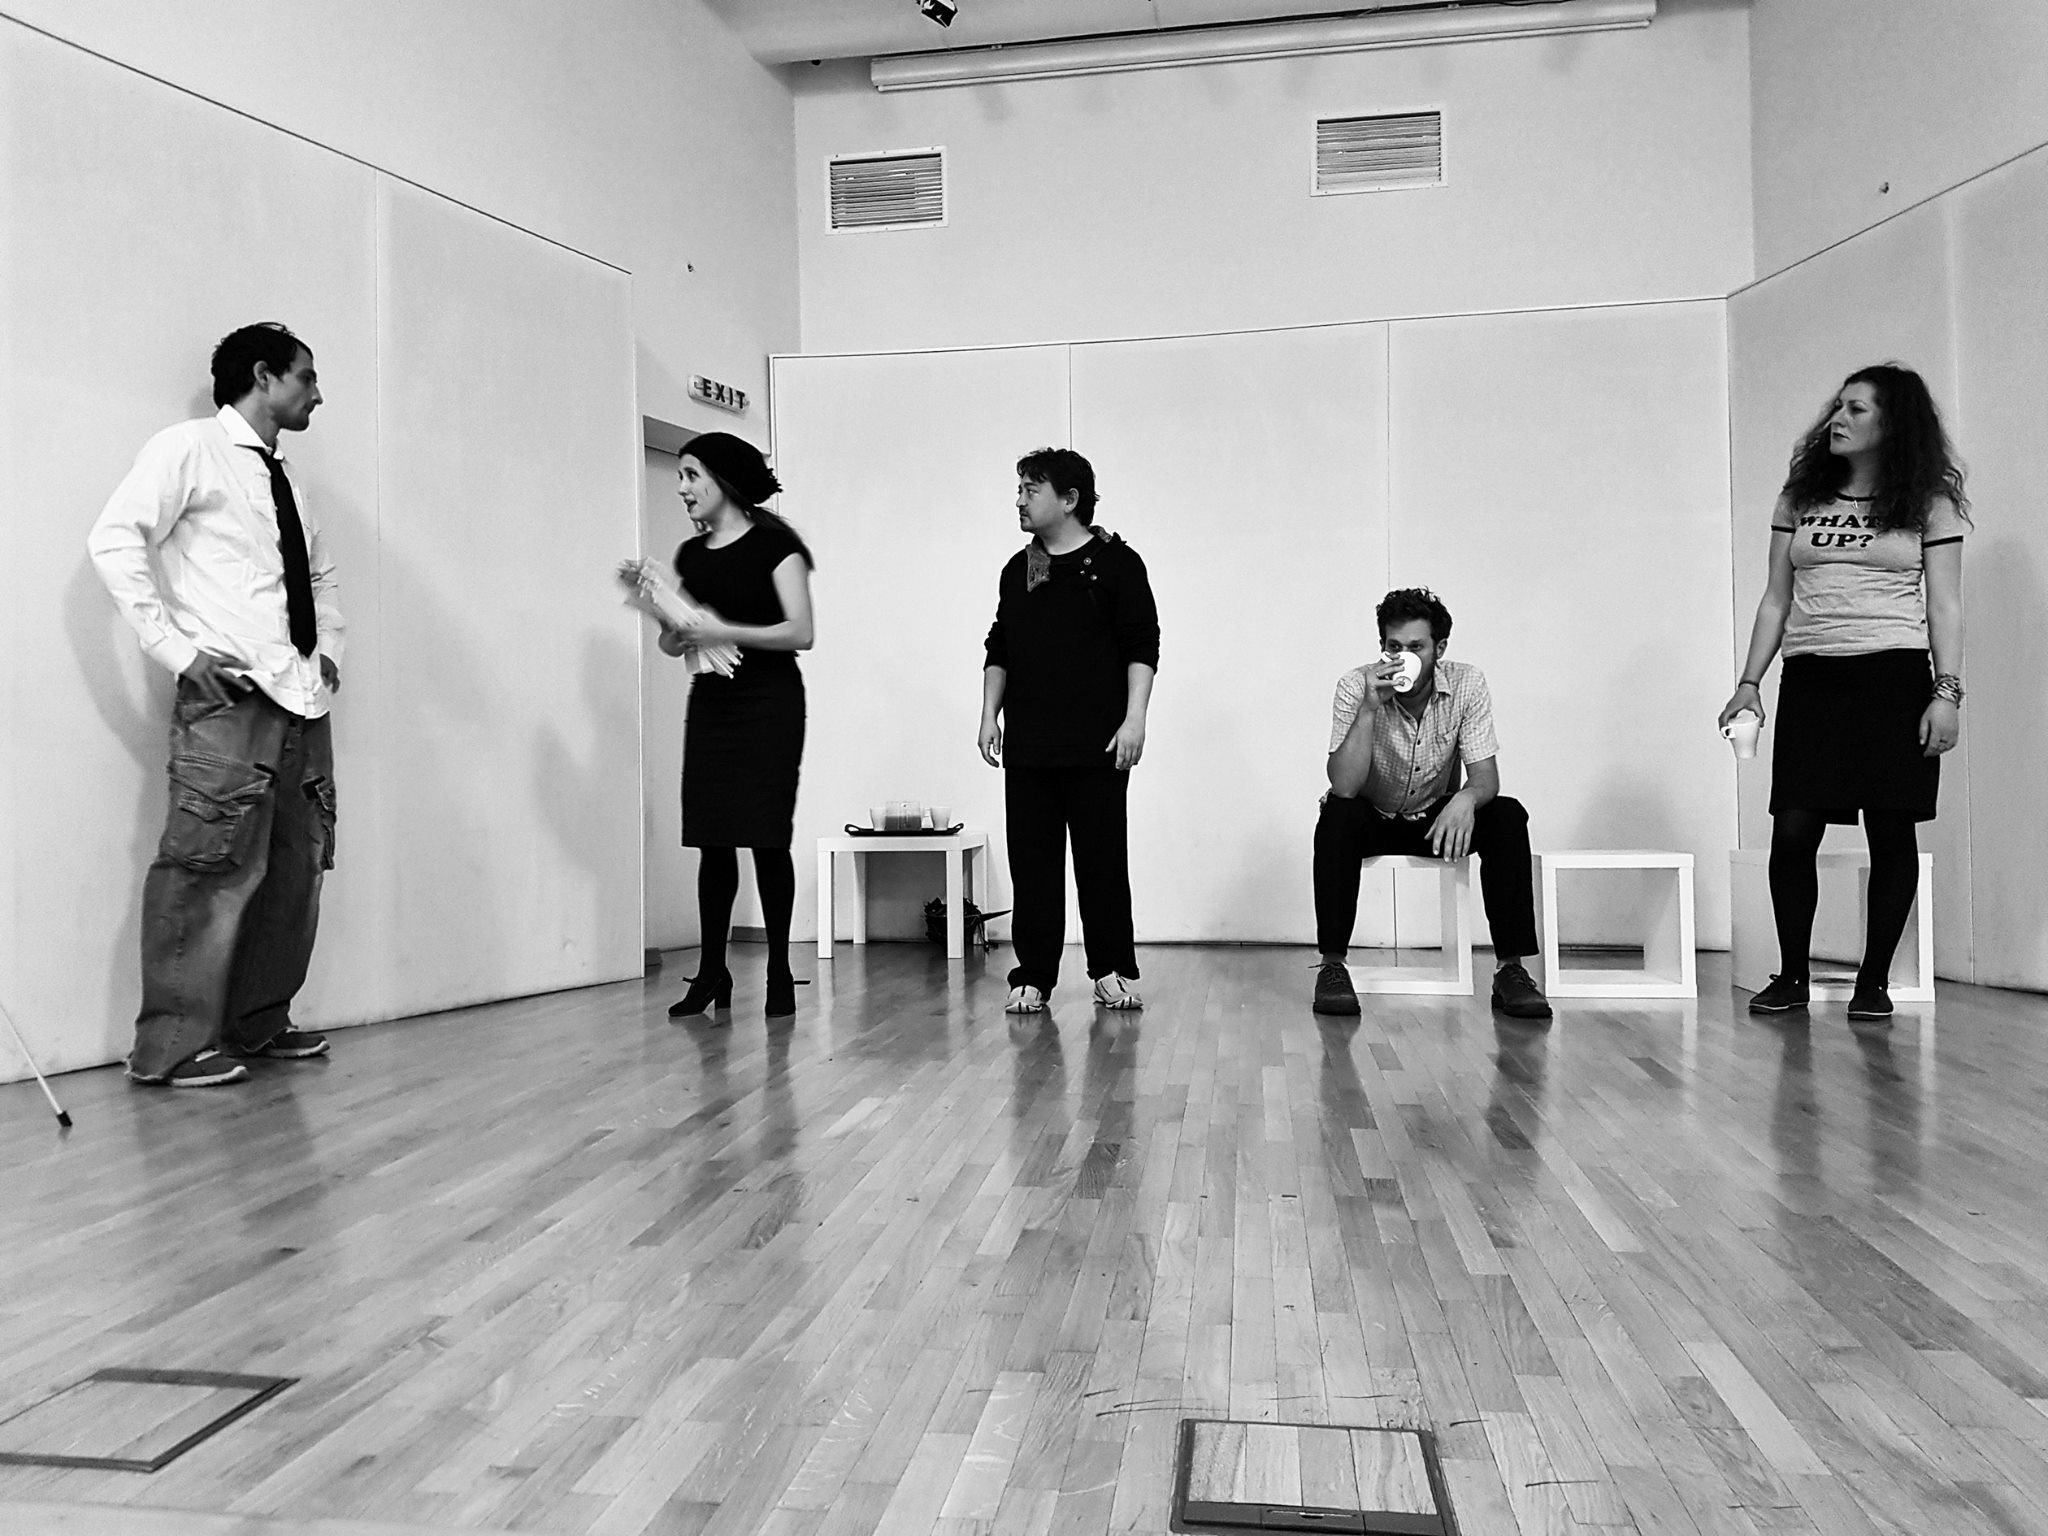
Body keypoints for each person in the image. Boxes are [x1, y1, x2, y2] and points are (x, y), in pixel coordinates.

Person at [87, 323, 342, 1087]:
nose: (317, 394)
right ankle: (169, 1047)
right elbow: (115, 540)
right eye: (306, 378)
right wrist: (177, 652)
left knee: (297, 868)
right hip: (229, 697)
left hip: (303, 699)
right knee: (205, 865)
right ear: (263, 376)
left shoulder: (285, 478)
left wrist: (329, 650)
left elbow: (319, 577)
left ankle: (258, 1022)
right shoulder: (188, 448)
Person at [1719, 364, 1967, 1022]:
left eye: (1857, 410)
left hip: (1894, 677)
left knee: (1891, 828)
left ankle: (1873, 982)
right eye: (1839, 406)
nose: (1838, 419)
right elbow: (1776, 599)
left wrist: (1946, 692)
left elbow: (1944, 604)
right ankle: (1792, 975)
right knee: (1793, 829)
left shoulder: (1928, 503)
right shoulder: (1801, 497)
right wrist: (1749, 683)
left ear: (1893, 423)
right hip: (1813, 677)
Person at [631, 432, 814, 1021]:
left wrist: (723, 631)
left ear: (723, 480)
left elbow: (801, 631)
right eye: (680, 476)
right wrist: (666, 619)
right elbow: (673, 642)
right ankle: (713, 970)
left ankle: (780, 968)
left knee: (767, 838)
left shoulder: (776, 545)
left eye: (691, 475)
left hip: (769, 703)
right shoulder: (692, 555)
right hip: (712, 703)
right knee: (713, 840)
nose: (682, 488)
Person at [1312, 588, 1551, 1021]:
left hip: (1434, 819)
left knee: (1506, 815)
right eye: (1394, 647)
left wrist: (1466, 798)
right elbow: (1344, 786)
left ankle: (1511, 971)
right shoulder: (1356, 685)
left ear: (1439, 649)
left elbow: (1486, 776)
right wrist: (1368, 710)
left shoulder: (1466, 683)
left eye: (1416, 647)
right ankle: (1332, 966)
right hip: (1371, 815)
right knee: (1337, 814)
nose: (1403, 657)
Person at [978, 448, 1158, 1013]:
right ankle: (1033, 976)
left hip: (1098, 743)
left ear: (1070, 499)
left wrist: (1135, 718)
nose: (1019, 500)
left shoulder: (1118, 564)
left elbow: (1142, 645)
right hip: (1030, 744)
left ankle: (1109, 969)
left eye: (1030, 489)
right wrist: (988, 714)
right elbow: (1000, 646)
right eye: (1020, 489)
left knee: (1101, 862)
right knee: (1033, 866)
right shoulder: (1018, 570)